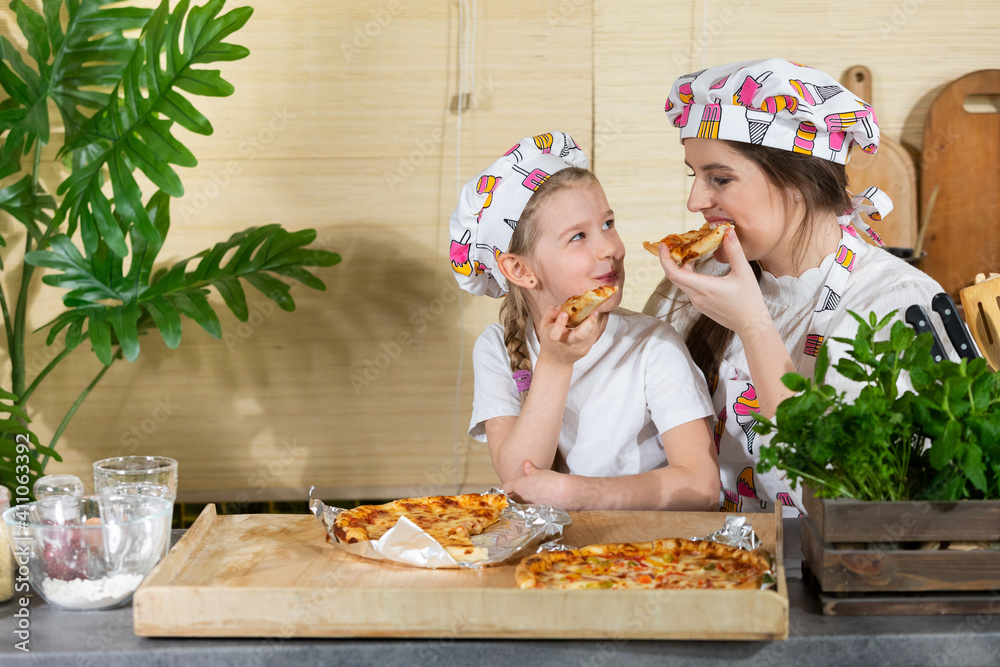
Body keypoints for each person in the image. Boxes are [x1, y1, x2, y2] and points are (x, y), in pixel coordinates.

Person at [643, 58, 951, 515]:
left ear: (799, 183)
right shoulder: (694, 283)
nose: (696, 201)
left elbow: (854, 499)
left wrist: (752, 325)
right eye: (695, 175)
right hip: (695, 564)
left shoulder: (897, 304)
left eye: (720, 178)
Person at [449, 131, 719, 511]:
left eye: (608, 223)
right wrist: (556, 363)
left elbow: (701, 486)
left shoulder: (653, 345)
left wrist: (575, 493)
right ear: (519, 269)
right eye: (578, 236)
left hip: (651, 553)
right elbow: (519, 479)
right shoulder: (495, 348)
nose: (610, 248)